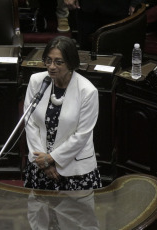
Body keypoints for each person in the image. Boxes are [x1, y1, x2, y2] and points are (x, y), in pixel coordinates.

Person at [24, 36, 101, 191]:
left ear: (71, 63)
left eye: (59, 62)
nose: (52, 66)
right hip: (40, 164)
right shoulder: (37, 81)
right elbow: (29, 121)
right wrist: (43, 162)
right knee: (40, 212)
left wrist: (52, 159)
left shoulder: (87, 91)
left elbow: (82, 135)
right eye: (48, 60)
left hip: (74, 168)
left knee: (75, 214)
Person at [64, 0, 144, 50]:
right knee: (86, 53)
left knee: (116, 54)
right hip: (86, 9)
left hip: (118, 9)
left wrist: (135, 2)